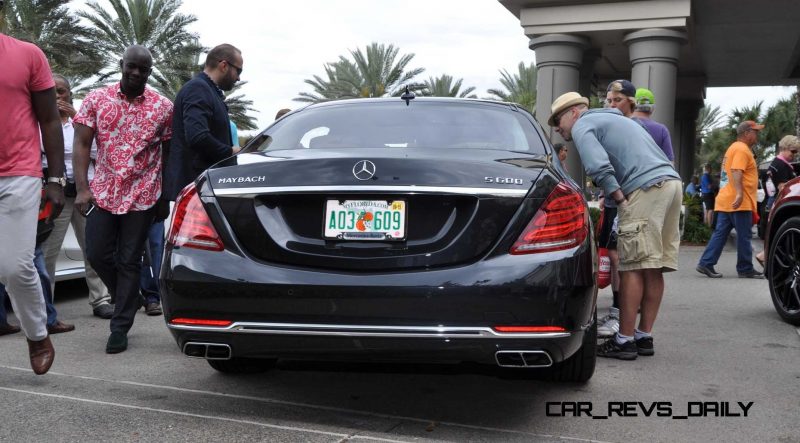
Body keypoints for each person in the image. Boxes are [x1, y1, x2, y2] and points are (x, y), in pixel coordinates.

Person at [549, 92, 681, 360]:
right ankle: (644, 337)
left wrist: (620, 198)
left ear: (575, 112)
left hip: (644, 188)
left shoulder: (584, 124)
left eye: (558, 118)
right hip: (671, 184)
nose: (556, 126)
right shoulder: (622, 121)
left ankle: (625, 340)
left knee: (631, 267)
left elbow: (598, 166)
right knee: (653, 267)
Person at [73, 45, 173, 354]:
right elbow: (81, 143)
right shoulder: (96, 99)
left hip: (143, 193)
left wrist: (164, 196)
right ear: (122, 64)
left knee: (130, 260)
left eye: (143, 69)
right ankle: (128, 297)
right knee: (97, 252)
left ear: (149, 72)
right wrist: (82, 188)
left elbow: (168, 153)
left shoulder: (163, 106)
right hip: (104, 191)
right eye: (132, 66)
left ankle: (120, 327)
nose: (136, 73)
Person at [0, 15, 65, 374]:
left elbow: (50, 120)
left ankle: (37, 333)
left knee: (14, 265)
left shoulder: (27, 54)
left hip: (18, 173)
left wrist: (55, 178)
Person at [40, 74, 114, 319]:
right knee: (49, 251)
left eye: (62, 91)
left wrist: (76, 116)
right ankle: (44, 306)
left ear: (70, 94)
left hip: (83, 192)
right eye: (52, 91)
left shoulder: (79, 122)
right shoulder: (40, 123)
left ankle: (100, 299)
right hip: (56, 193)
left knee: (91, 248)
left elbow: (99, 151)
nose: (58, 96)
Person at [165, 43, 243, 201]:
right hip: (195, 191)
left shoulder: (208, 90)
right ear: (223, 65)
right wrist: (231, 151)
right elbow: (197, 136)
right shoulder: (198, 89)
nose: (239, 77)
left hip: (202, 189)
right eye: (238, 70)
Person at [696, 121, 765, 279]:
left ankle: (706, 263)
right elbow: (736, 171)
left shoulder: (734, 147)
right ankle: (745, 268)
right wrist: (740, 194)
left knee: (720, 233)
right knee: (744, 235)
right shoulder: (742, 149)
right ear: (747, 133)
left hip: (726, 199)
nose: (757, 135)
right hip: (739, 201)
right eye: (755, 131)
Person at [754, 135, 799, 267]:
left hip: (770, 203)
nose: (795, 155)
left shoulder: (776, 163)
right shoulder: (781, 165)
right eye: (793, 151)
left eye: (797, 152)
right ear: (784, 148)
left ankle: (765, 257)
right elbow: (782, 188)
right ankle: (765, 258)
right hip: (776, 203)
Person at [631, 88, 675, 162]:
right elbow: (670, 162)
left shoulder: (622, 125)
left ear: (631, 105)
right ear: (652, 108)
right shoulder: (661, 130)